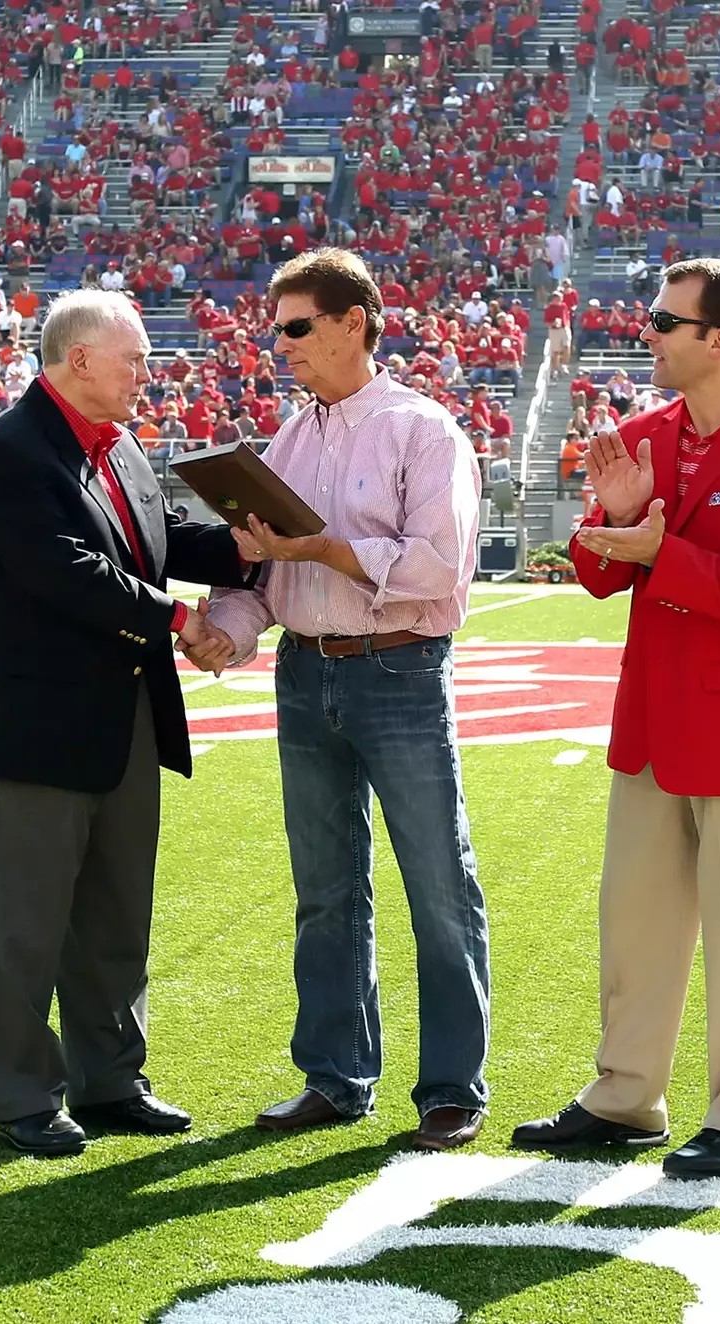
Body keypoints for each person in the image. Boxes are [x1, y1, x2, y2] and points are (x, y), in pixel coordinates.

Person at [512, 258, 720, 1178]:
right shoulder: (642, 434)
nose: (644, 332)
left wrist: (665, 549)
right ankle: (625, 1096)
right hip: (654, 718)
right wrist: (610, 528)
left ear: (718, 340)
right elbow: (596, 569)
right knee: (637, 919)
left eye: (663, 320)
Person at [198, 249, 491, 1152]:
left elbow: (442, 568)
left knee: (437, 884)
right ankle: (335, 1074)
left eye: (295, 327)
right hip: (304, 668)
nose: (278, 345)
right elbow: (261, 572)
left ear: (352, 322)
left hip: (398, 669)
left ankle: (450, 1087)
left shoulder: (424, 429)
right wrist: (228, 627)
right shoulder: (286, 439)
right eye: (276, 329)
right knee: (324, 889)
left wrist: (328, 551)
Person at [0, 290, 260, 1158]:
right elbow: (66, 569)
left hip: (125, 713)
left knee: (117, 912)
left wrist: (247, 544)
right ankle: (24, 1095)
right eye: (132, 358)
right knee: (21, 921)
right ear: (78, 359)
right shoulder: (11, 450)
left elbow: (159, 538)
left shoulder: (119, 445)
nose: (145, 373)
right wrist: (178, 620)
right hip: (38, 725)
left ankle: (111, 1080)